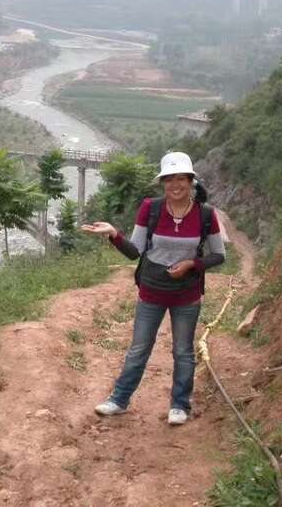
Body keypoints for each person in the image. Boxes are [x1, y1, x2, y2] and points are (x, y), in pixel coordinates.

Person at [81, 151, 225, 425]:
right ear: (162, 183)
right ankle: (119, 400)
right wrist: (113, 234)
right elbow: (134, 251)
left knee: (183, 351)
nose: (175, 185)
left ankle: (179, 405)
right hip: (151, 292)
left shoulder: (205, 214)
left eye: (181, 178)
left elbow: (218, 255)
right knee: (139, 348)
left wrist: (191, 264)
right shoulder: (151, 208)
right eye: (169, 179)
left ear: (191, 181)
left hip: (187, 295)